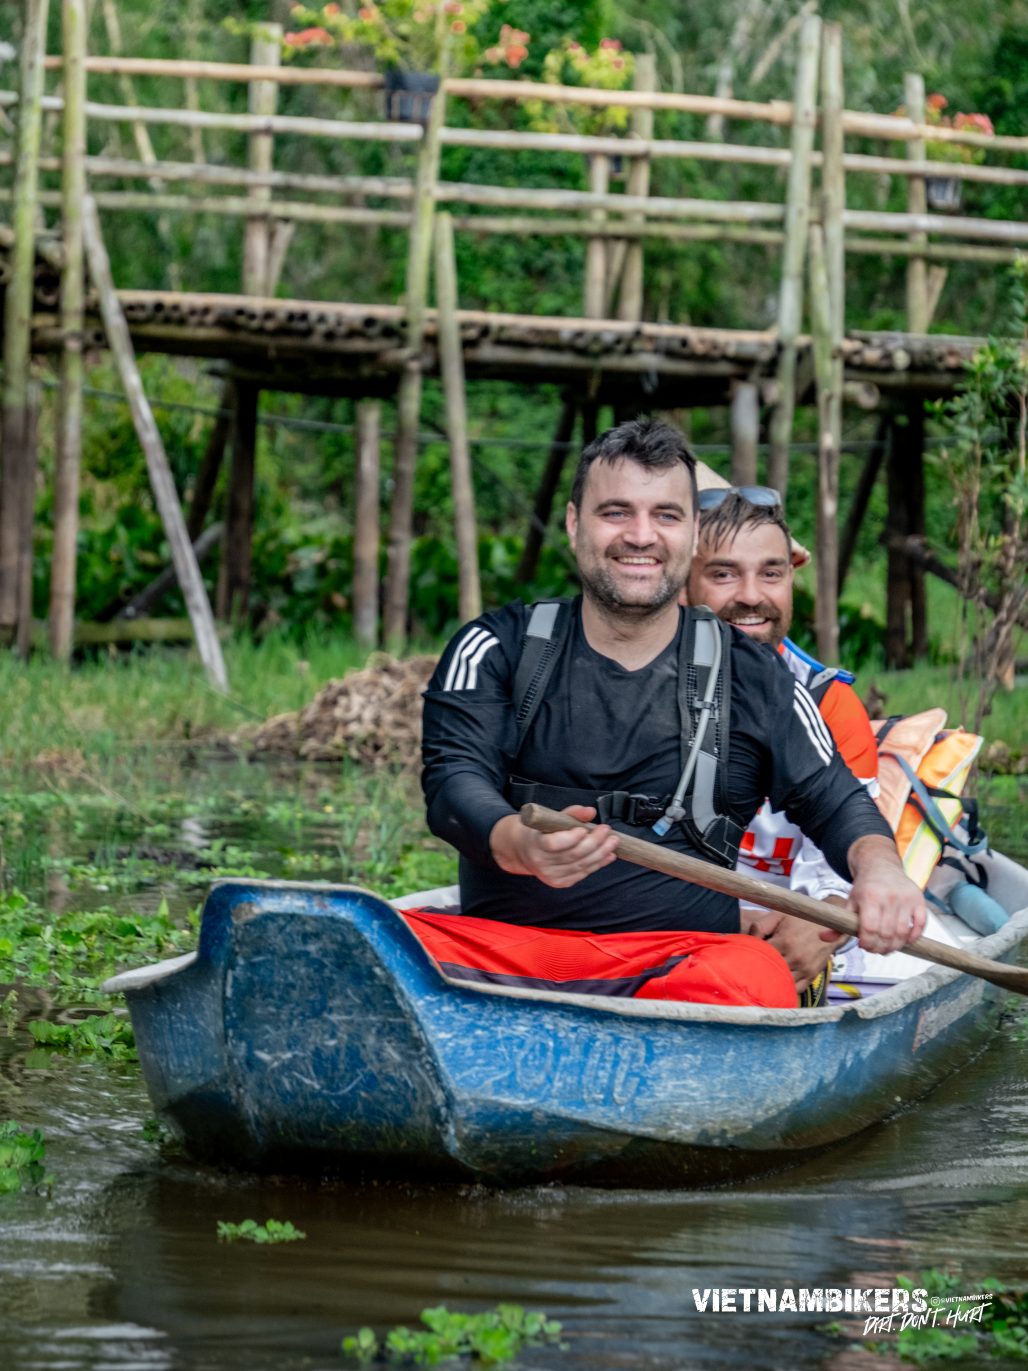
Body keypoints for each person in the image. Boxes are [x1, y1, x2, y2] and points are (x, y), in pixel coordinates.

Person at [421, 418, 926, 959]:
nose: (641, 535)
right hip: (501, 957)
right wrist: (511, 840)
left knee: (753, 976)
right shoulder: (495, 646)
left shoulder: (754, 673)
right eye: (616, 512)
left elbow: (835, 799)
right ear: (573, 524)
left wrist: (880, 870)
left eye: (666, 515)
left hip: (682, 972)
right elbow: (453, 778)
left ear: (690, 534)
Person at [687, 487, 879, 995]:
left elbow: (839, 875)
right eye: (723, 573)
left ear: (791, 576)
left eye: (771, 574)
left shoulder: (831, 705)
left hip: (798, 919)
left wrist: (826, 923)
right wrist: (727, 915)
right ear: (681, 582)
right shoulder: (635, 687)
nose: (751, 596)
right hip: (681, 915)